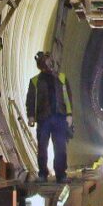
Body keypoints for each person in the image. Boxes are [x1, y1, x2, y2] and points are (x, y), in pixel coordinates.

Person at [26, 51, 74, 182]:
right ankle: (43, 173)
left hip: (59, 117)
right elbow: (30, 100)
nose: (47, 64)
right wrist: (31, 116)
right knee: (42, 147)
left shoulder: (62, 78)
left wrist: (69, 115)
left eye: (48, 61)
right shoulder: (35, 81)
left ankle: (61, 174)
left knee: (60, 147)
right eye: (44, 62)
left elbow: (68, 98)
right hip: (44, 118)